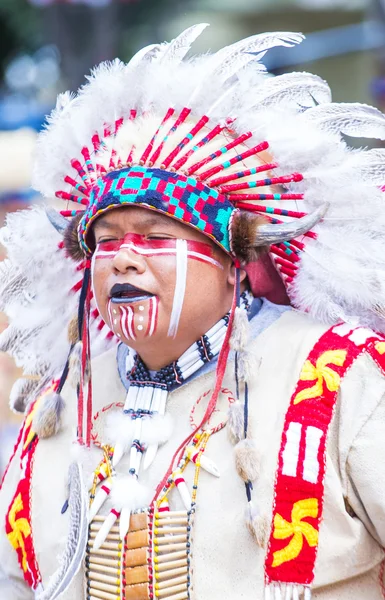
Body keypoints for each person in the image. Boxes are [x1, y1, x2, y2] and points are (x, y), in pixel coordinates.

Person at [1, 24, 385, 600]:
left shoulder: (338, 373)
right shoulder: (62, 399)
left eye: (153, 235)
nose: (123, 259)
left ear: (232, 258)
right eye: (106, 240)